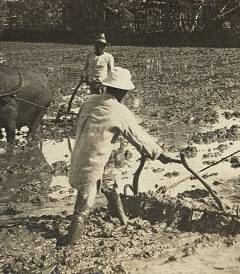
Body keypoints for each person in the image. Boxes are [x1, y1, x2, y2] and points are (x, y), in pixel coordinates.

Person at [64, 66, 180, 245]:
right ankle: (70, 244)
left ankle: (123, 219)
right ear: (123, 91)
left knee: (110, 185)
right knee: (83, 205)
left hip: (81, 154)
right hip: (92, 162)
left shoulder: (89, 100)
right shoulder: (118, 110)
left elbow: (76, 125)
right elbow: (138, 137)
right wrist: (160, 154)